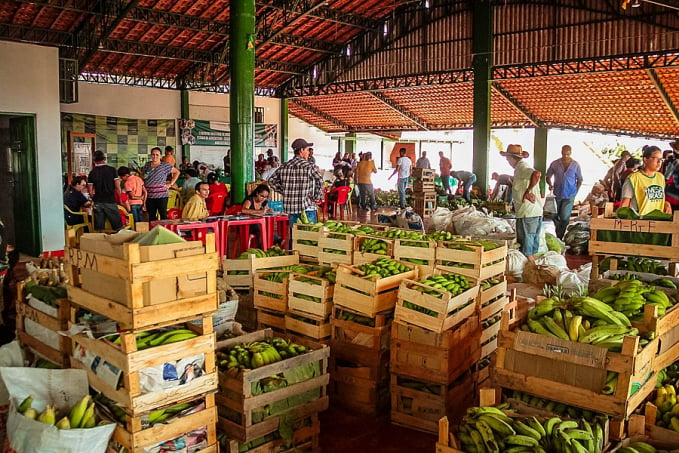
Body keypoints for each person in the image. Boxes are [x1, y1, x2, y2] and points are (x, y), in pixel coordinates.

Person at [268, 138, 324, 224]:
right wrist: (316, 197)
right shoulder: (309, 166)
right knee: (310, 235)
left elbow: (271, 181)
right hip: (307, 208)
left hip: (291, 209)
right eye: (307, 150)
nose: (309, 152)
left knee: (294, 235)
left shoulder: (284, 166)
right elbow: (320, 181)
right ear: (301, 150)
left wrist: (283, 191)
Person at [501, 144, 542, 260]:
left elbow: (537, 174)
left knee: (527, 246)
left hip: (527, 213)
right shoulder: (519, 170)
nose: (507, 161)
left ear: (512, 158)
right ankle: (533, 268)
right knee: (531, 245)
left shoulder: (522, 167)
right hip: (532, 212)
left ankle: (531, 271)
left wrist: (528, 191)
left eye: (508, 158)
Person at [620, 145, 672, 215]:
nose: (659, 162)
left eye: (661, 159)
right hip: (639, 222)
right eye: (656, 158)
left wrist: (666, 203)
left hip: (657, 221)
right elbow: (625, 204)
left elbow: (659, 199)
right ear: (645, 159)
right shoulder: (633, 178)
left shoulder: (661, 177)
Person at [546, 145, 583, 239]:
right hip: (557, 193)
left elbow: (580, 180)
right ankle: (556, 233)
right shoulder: (555, 163)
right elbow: (548, 176)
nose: (565, 156)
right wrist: (550, 184)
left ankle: (560, 235)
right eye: (564, 154)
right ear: (561, 152)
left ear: (570, 153)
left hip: (570, 194)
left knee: (565, 217)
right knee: (555, 215)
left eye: (567, 154)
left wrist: (575, 192)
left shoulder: (575, 165)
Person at [140, 146, 180, 220]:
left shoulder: (164, 165)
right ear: (150, 155)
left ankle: (163, 231)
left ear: (160, 156)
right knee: (151, 216)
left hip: (161, 195)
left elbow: (177, 172)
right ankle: (154, 231)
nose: (155, 156)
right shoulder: (147, 165)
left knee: (163, 215)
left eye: (157, 155)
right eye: (153, 154)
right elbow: (143, 176)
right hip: (149, 195)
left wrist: (170, 184)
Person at [88, 150, 123, 232]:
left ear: (94, 161)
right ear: (105, 159)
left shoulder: (92, 173)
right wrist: (120, 199)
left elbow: (90, 191)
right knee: (118, 227)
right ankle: (119, 243)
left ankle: (100, 244)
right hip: (110, 201)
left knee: (99, 229)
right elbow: (118, 187)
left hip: (98, 202)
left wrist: (93, 198)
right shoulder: (112, 170)